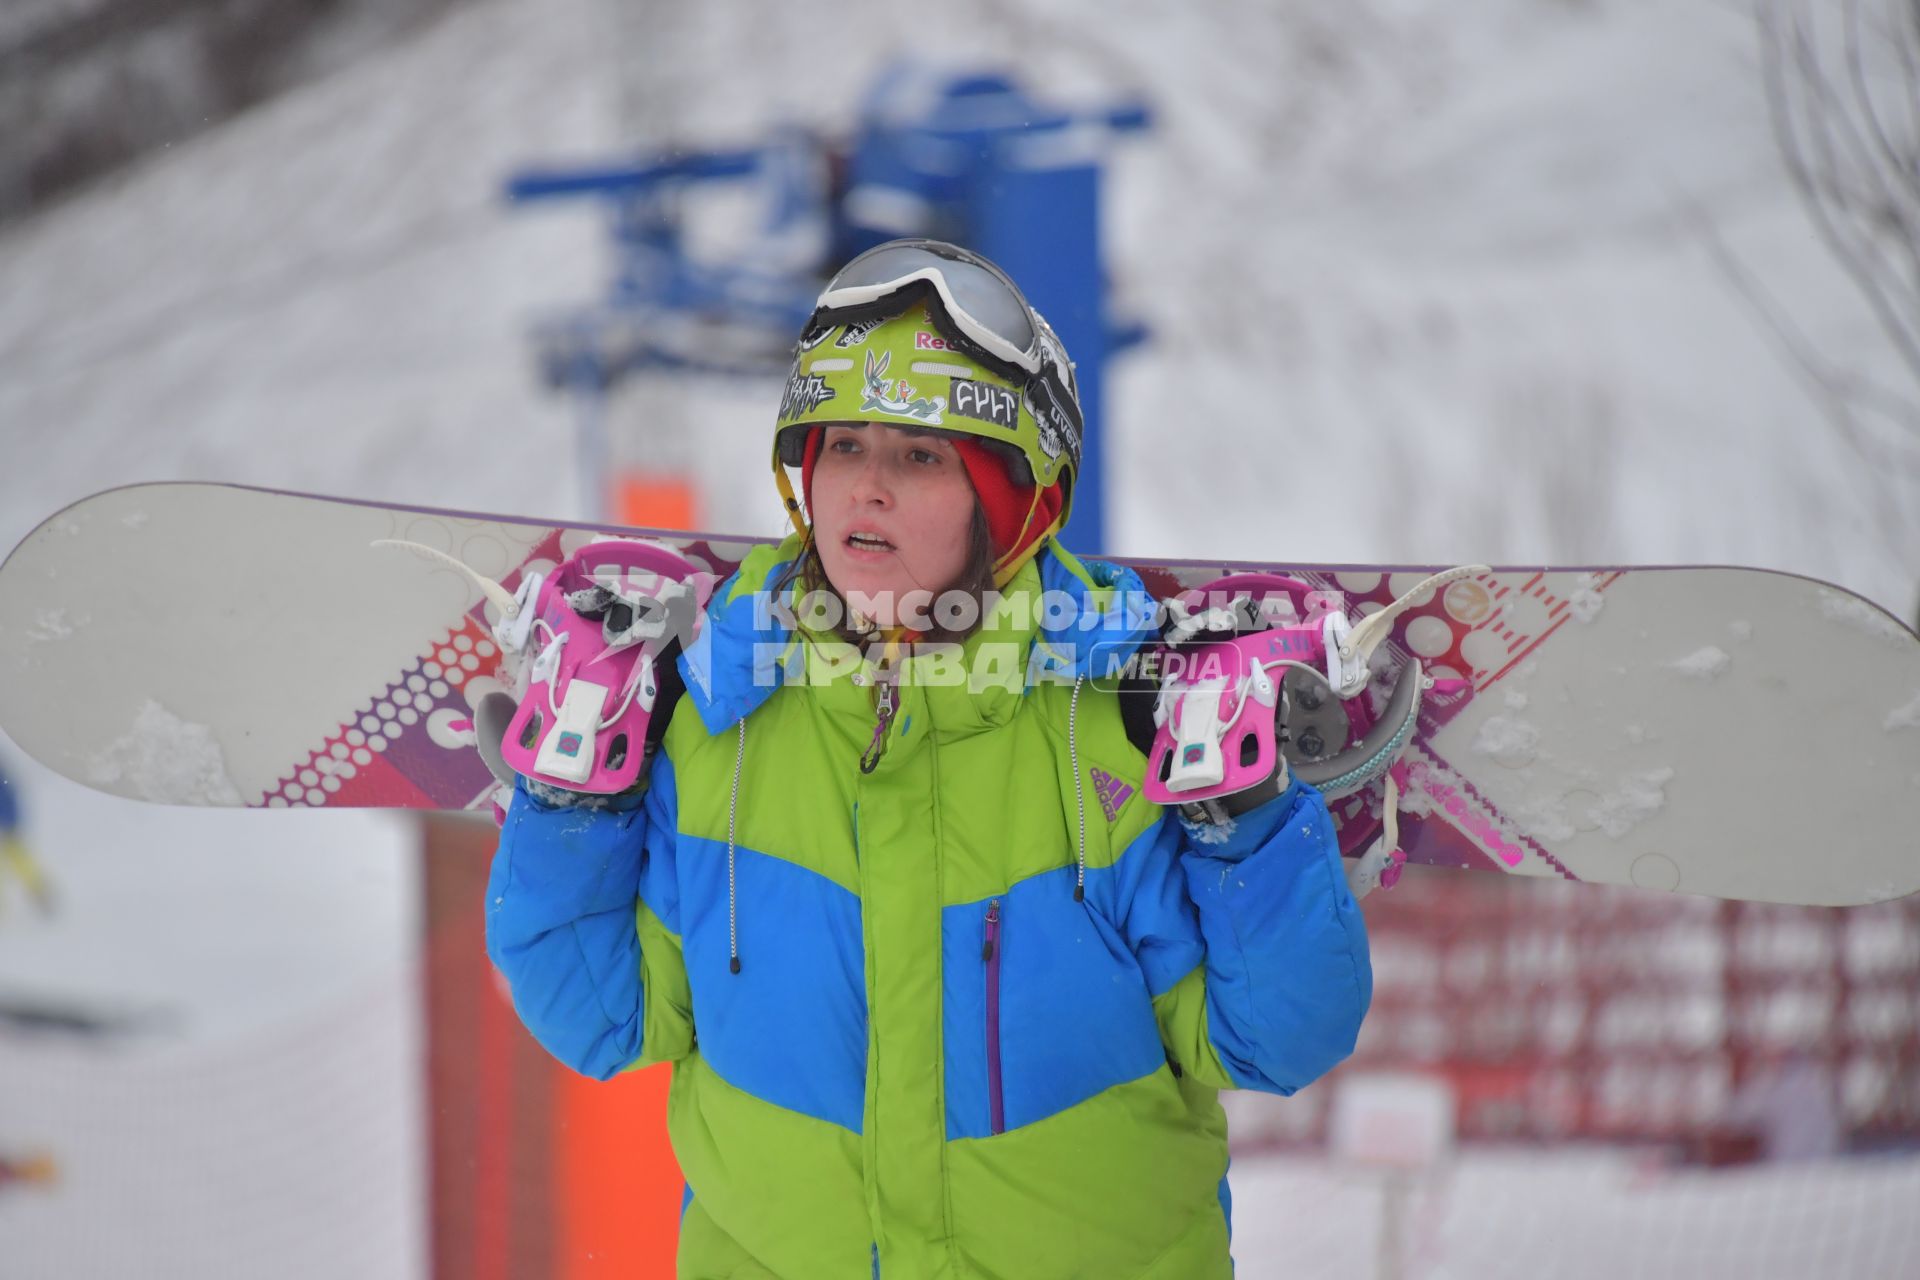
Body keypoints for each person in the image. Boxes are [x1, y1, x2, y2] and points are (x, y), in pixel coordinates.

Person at [486, 239, 1371, 1278]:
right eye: (845, 446)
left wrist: (1247, 820)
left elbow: (1275, 1037)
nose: (868, 488)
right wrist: (569, 801)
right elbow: (603, 1013)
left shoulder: (1115, 729)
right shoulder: (719, 720)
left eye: (920, 456)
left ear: (1012, 503)